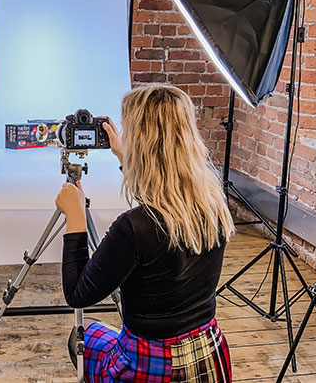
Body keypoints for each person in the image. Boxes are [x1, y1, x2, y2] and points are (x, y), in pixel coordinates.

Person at [55, 84, 234, 382]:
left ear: (142, 142)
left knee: (80, 337)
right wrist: (126, 159)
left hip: (152, 365)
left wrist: (75, 217)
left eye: (126, 131)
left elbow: (77, 294)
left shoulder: (133, 227)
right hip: (209, 355)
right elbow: (163, 200)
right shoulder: (214, 203)